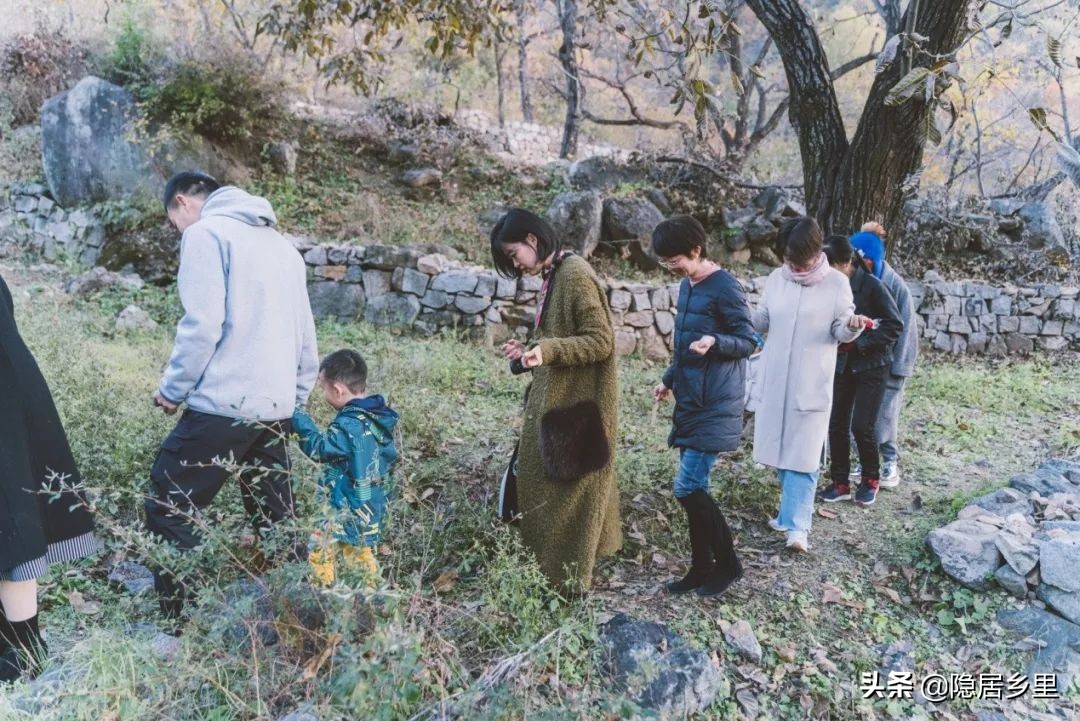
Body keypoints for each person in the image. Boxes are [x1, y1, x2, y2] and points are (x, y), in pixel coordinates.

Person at [147, 172, 319, 619]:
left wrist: (172, 390)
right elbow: (306, 336)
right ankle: (299, 616)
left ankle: (182, 620)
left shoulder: (206, 234)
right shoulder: (284, 247)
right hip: (275, 408)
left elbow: (202, 325)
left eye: (172, 222)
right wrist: (295, 399)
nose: (177, 231)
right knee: (276, 521)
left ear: (183, 202)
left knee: (169, 503)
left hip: (223, 406)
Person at [491, 208, 622, 595]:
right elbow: (559, 337)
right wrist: (527, 351)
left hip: (576, 406)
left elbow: (601, 341)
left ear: (532, 240)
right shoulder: (555, 274)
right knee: (549, 482)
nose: (516, 265)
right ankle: (548, 570)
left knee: (566, 489)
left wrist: (546, 350)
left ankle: (564, 580)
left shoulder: (575, 274)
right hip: (559, 402)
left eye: (514, 255)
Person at [746, 217, 869, 552]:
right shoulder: (777, 278)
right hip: (776, 378)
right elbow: (763, 320)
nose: (794, 266)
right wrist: (740, 312)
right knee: (780, 449)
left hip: (811, 381)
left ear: (816, 251)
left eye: (800, 259)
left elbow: (840, 330)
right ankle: (787, 516)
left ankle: (799, 528)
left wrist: (853, 326)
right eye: (789, 258)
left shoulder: (836, 283)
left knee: (804, 454)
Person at [1, 272, 101, 681]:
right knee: (14, 534)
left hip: (8, 412)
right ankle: (21, 646)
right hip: (15, 403)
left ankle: (25, 649)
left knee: (14, 537)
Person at [651, 216, 756, 597]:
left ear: (696, 250)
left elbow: (748, 340)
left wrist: (715, 342)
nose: (670, 267)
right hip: (690, 399)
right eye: (665, 262)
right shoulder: (687, 285)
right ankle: (701, 567)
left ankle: (728, 564)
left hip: (716, 401)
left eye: (674, 260)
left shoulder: (726, 287)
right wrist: (668, 379)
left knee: (687, 488)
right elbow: (683, 346)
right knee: (698, 490)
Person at [292, 350, 399, 586]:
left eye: (323, 388)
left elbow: (320, 448)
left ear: (338, 389)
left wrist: (298, 417)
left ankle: (321, 593)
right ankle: (373, 597)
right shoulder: (376, 418)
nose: (323, 394)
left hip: (342, 503)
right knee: (359, 550)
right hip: (369, 504)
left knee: (320, 547)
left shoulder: (348, 425)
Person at [818, 236, 903, 507]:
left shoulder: (873, 286)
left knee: (862, 426)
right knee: (836, 424)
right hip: (842, 364)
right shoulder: (829, 287)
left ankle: (870, 480)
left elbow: (894, 325)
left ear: (845, 263)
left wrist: (860, 342)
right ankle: (840, 482)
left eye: (830, 265)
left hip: (872, 365)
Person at [848, 222, 919, 488]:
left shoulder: (896, 286)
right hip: (866, 358)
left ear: (869, 259)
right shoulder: (857, 281)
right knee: (862, 415)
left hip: (893, 360)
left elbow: (906, 329)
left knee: (885, 417)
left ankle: (890, 462)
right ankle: (865, 461)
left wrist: (899, 368)